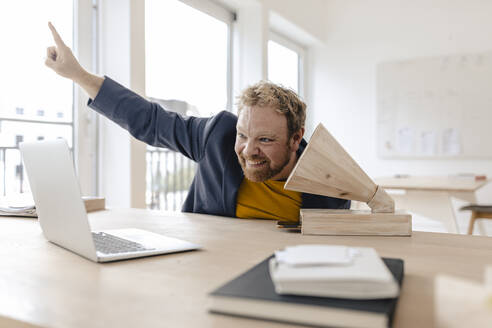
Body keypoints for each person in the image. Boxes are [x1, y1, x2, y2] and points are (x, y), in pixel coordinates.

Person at [45, 22, 350, 223]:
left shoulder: (328, 185)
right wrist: (78, 75)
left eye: (266, 140)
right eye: (243, 135)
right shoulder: (218, 137)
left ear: (296, 139)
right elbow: (150, 121)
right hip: (206, 264)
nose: (248, 151)